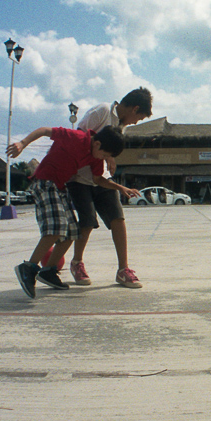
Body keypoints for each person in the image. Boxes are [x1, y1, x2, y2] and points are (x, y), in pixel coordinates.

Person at [7, 125, 126, 299]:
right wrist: (22, 143)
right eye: (105, 155)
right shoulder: (75, 137)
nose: (105, 159)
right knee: (57, 227)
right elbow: (44, 130)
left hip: (60, 188)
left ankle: (48, 270)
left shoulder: (95, 158)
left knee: (72, 233)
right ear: (97, 144)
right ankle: (29, 267)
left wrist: (120, 187)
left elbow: (98, 180)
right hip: (44, 182)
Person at [66, 88, 152, 288]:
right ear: (134, 108)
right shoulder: (103, 111)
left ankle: (123, 270)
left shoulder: (121, 126)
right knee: (87, 222)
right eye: (138, 118)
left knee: (118, 218)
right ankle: (77, 263)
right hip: (80, 176)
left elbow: (109, 145)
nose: (135, 122)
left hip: (102, 177)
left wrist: (109, 156)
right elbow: (79, 135)